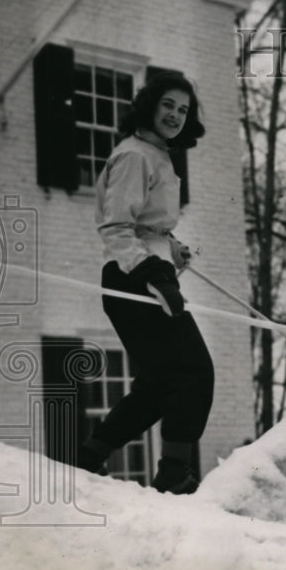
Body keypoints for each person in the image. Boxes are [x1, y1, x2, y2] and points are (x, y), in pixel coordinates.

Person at [77, 71, 214, 494]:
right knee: (193, 371)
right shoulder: (135, 155)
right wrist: (152, 272)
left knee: (159, 384)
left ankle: (88, 457)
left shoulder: (157, 155)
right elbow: (117, 226)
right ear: (150, 105)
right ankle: (174, 476)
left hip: (144, 276)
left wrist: (169, 249)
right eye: (168, 105)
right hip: (132, 280)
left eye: (183, 109)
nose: (175, 115)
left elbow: (146, 226)